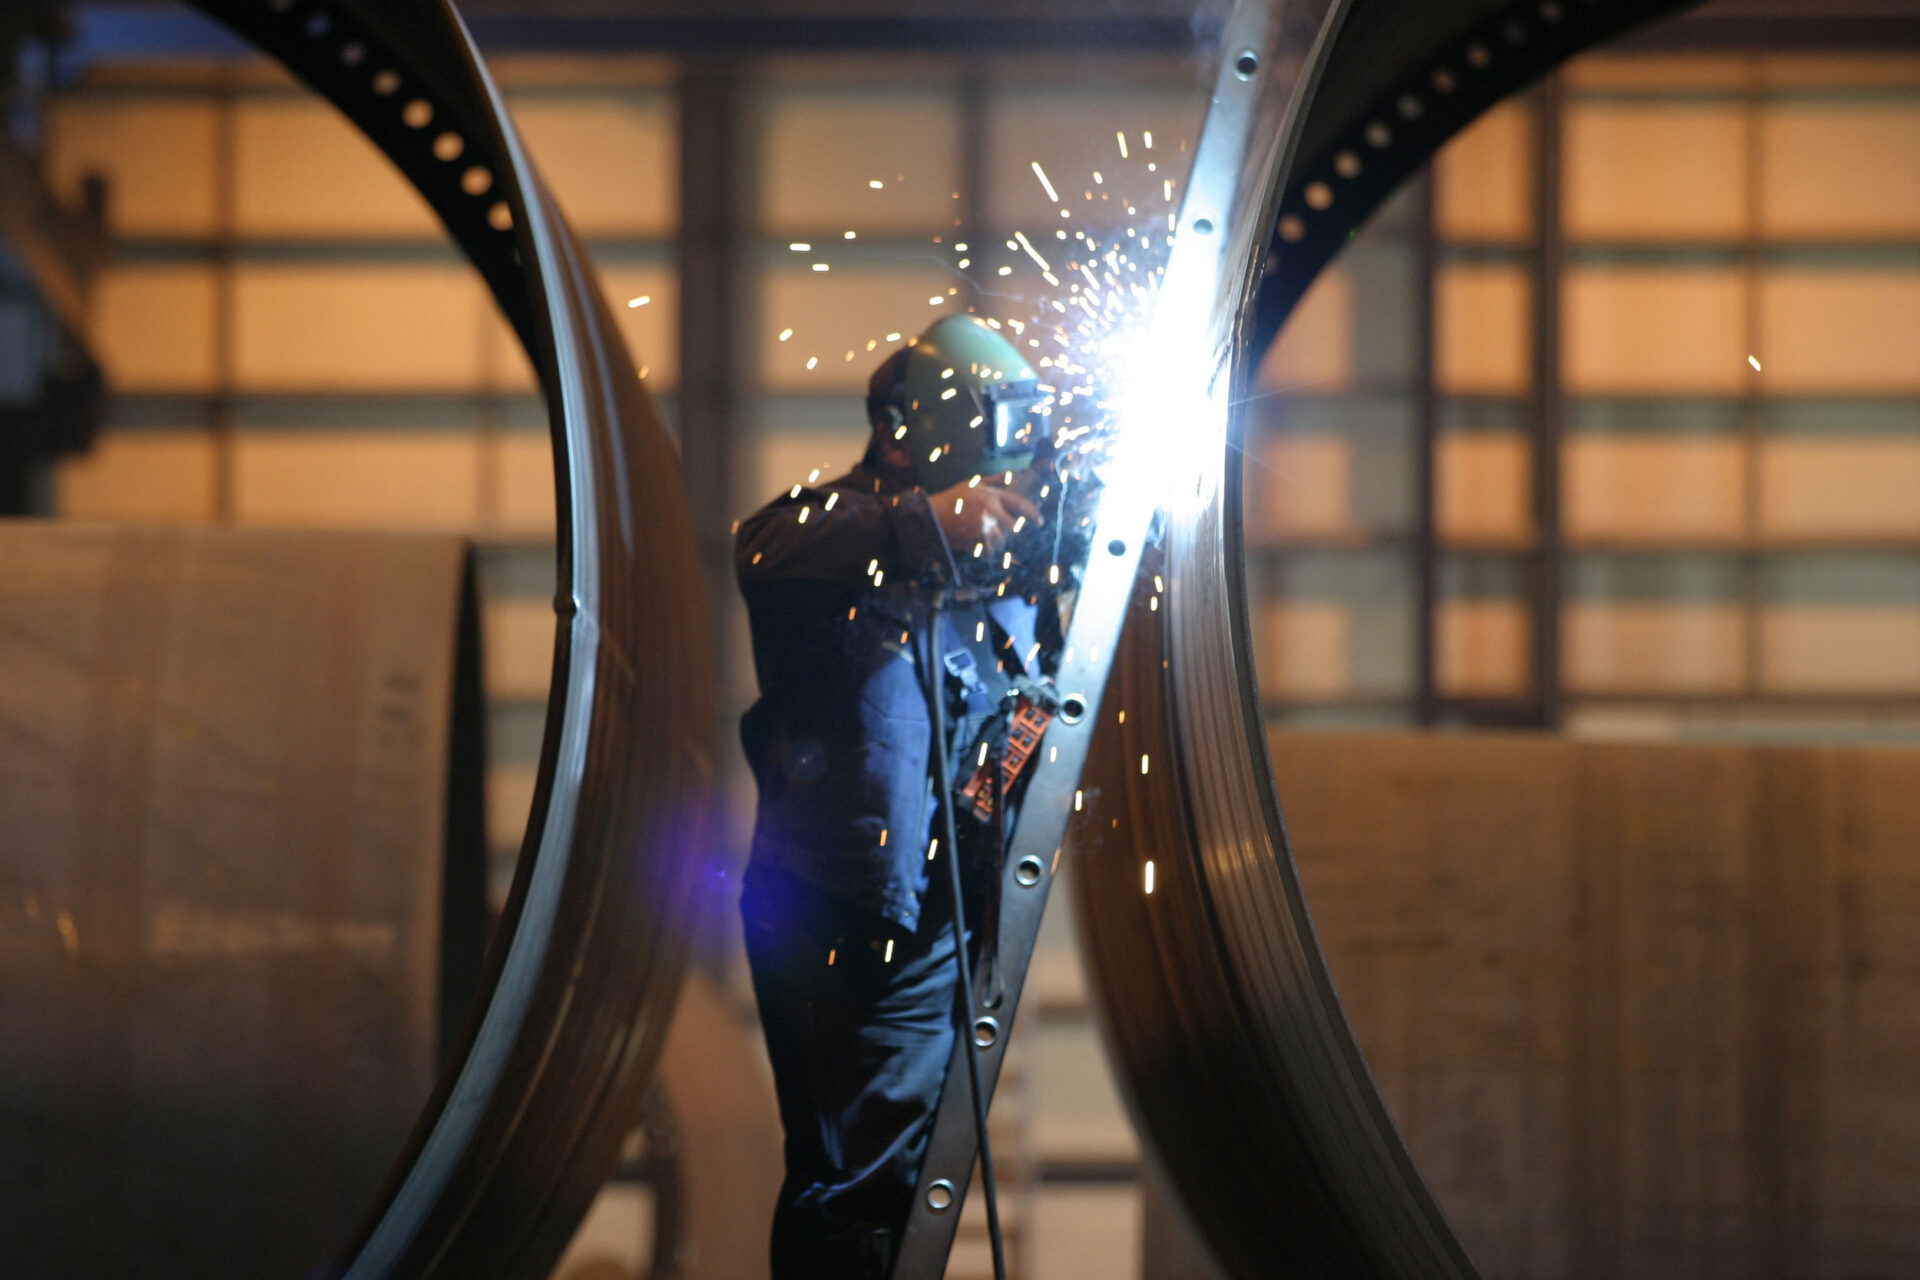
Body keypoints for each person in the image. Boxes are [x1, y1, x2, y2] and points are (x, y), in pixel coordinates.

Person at [734, 315, 1058, 1278]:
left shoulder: (1005, 561)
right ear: (912, 427)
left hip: (944, 917)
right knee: (850, 1190)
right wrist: (928, 526)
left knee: (907, 1181)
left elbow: (1034, 710)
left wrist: (992, 783)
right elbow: (761, 546)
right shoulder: (824, 535)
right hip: (837, 915)